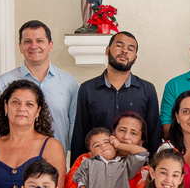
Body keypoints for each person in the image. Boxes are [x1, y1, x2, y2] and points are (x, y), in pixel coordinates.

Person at [0, 20, 79, 152]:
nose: (34, 46)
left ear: (51, 45)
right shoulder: (4, 82)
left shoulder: (69, 82)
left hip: (55, 158)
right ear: (20, 47)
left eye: (39, 41)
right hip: (13, 158)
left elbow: (74, 128)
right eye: (27, 41)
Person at [69, 31, 161, 160]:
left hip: (135, 166)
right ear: (107, 50)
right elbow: (80, 134)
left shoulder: (147, 90)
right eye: (119, 45)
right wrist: (76, 168)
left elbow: (153, 135)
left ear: (135, 59)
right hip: (98, 166)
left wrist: (153, 167)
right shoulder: (88, 89)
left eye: (130, 49)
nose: (124, 51)